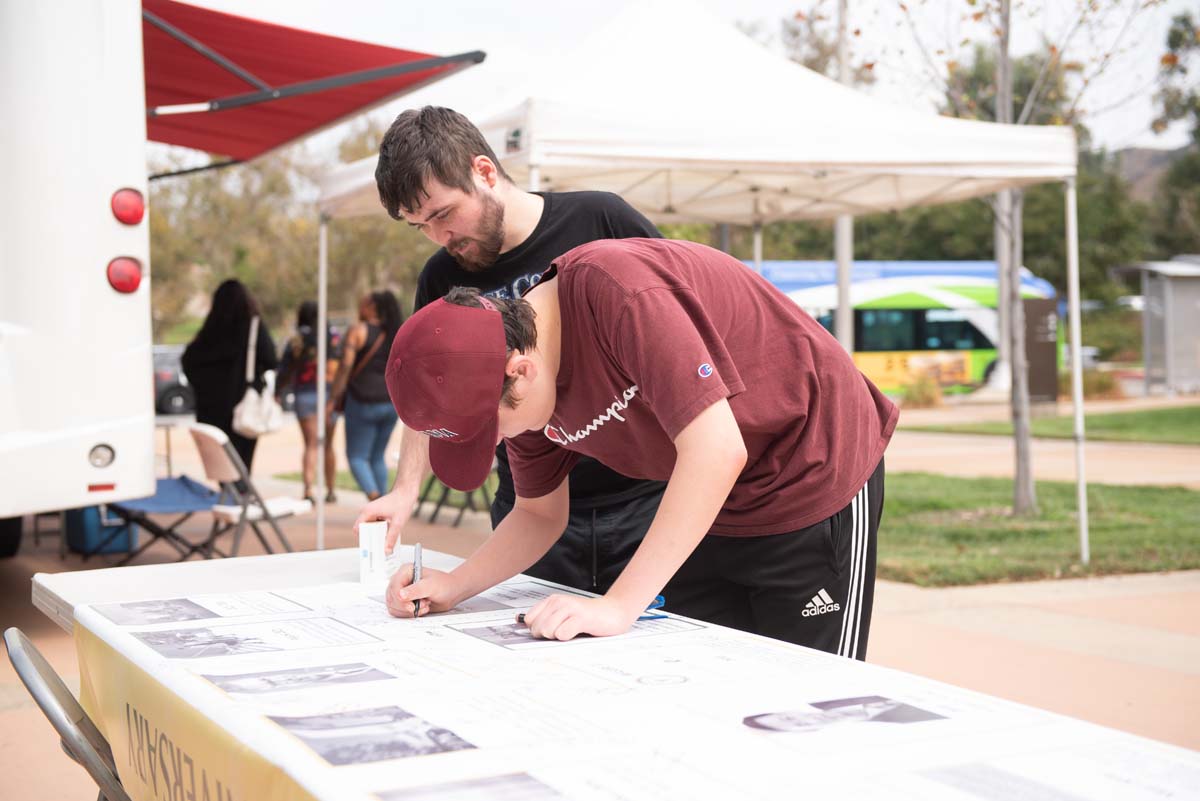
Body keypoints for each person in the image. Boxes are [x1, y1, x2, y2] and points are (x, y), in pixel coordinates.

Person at [382, 237, 897, 659]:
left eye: (490, 426)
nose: (496, 441)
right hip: (716, 497)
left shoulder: (621, 295)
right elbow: (539, 513)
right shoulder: (519, 382)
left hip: (811, 466)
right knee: (703, 669)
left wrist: (619, 604)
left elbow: (717, 451)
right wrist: (457, 585)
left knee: (814, 696)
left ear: (521, 370)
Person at [357, 105, 667, 595]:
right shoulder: (440, 276)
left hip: (643, 496)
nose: (440, 237)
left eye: (443, 214)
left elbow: (677, 325)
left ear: (484, 171)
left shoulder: (600, 218)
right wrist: (405, 488)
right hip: (531, 500)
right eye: (420, 227)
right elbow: (429, 395)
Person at [182, 279, 277, 471]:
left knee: (221, 465)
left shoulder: (209, 332)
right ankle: (239, 497)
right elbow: (271, 359)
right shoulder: (253, 328)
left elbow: (188, 361)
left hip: (211, 409)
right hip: (243, 406)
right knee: (241, 465)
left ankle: (229, 495)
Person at [331, 290, 403, 500]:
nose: (359, 308)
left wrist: (335, 395)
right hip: (391, 403)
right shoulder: (396, 332)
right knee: (377, 457)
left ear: (372, 307)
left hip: (362, 401)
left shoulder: (358, 330)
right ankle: (382, 504)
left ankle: (375, 499)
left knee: (357, 458)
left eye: (363, 304)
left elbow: (345, 364)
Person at [276, 300, 340, 504]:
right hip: (329, 394)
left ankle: (308, 490)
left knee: (310, 445)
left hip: (304, 393)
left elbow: (285, 368)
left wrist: (277, 390)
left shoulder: (297, 339)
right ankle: (330, 490)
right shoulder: (333, 336)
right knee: (329, 445)